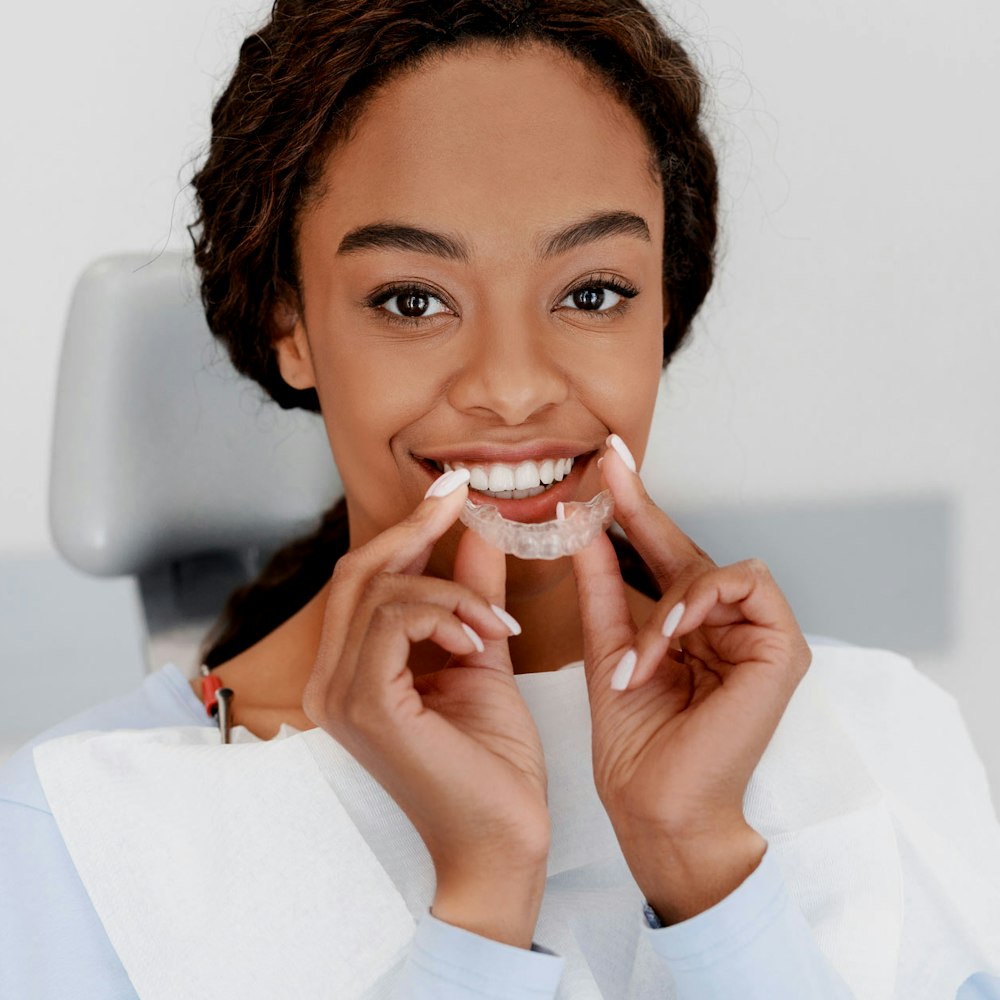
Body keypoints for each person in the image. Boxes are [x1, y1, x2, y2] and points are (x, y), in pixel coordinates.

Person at [2, 1, 999, 997]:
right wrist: (481, 898)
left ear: (665, 304)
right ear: (289, 323)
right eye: (412, 299)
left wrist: (702, 866)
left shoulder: (881, 742)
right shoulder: (80, 832)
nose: (514, 386)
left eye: (594, 291)